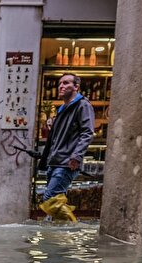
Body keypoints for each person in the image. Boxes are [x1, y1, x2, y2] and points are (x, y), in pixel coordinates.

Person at [37, 73, 94, 221]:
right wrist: (53, 124)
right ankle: (55, 235)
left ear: (76, 87)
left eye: (66, 83)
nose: (61, 86)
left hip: (66, 162)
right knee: (55, 201)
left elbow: (87, 132)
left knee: (50, 200)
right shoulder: (62, 108)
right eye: (60, 83)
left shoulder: (83, 105)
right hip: (55, 161)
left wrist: (76, 156)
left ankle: (72, 227)